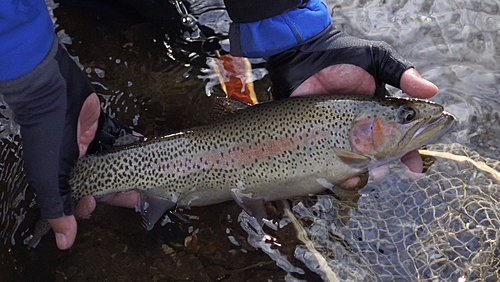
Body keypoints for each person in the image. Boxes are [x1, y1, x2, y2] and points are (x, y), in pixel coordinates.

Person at [0, 0, 437, 250]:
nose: (414, 118)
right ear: (366, 127)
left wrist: (286, 25)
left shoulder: (351, 136)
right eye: (404, 115)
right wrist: (37, 82)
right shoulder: (350, 139)